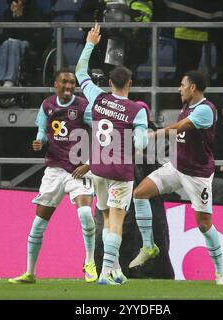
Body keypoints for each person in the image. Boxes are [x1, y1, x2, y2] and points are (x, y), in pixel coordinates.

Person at [128, 70, 223, 286]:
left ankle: (221, 270)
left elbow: (179, 128)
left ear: (193, 87)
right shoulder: (187, 106)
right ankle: (148, 246)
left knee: (204, 225)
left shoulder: (206, 110)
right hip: (176, 167)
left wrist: (153, 135)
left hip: (197, 175)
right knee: (139, 194)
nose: (179, 88)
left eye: (182, 85)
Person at [75, 23, 149, 285]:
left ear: (108, 82)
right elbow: (139, 145)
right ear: (130, 83)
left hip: (98, 169)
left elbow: (80, 72)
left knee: (106, 216)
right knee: (117, 220)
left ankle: (115, 269)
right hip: (119, 171)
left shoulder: (97, 97)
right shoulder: (137, 109)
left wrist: (90, 44)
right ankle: (105, 272)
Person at [8, 69, 96, 284]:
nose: (68, 86)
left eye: (72, 83)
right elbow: (42, 129)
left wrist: (90, 163)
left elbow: (103, 135)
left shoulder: (83, 107)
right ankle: (30, 272)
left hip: (78, 169)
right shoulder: (47, 105)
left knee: (85, 213)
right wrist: (40, 141)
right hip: (55, 169)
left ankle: (90, 262)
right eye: (64, 82)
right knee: (39, 223)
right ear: (55, 84)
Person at [93, 101, 175, 280]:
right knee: (116, 229)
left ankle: (148, 273)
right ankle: (109, 270)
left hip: (147, 197)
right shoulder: (121, 131)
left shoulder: (156, 135)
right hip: (123, 190)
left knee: (151, 231)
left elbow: (167, 164)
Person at [0, 0, 41, 88]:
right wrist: (12, 14)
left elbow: (29, 33)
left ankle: (10, 79)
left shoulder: (33, 11)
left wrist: (19, 16)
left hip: (26, 42)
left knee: (13, 43)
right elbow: (6, 33)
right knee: (5, 43)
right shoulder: (7, 12)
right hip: (10, 42)